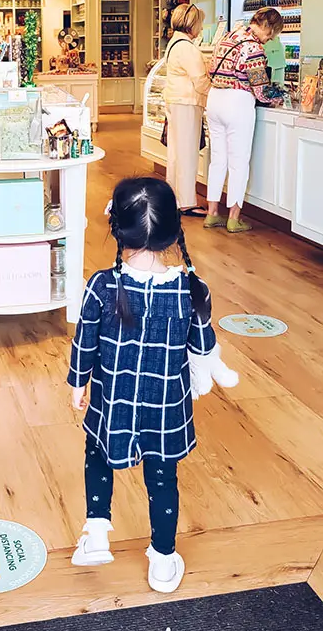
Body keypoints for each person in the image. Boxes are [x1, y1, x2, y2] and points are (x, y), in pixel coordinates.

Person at [68, 177, 238, 593]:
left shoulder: (102, 286)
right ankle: (163, 560)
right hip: (166, 408)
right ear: (172, 231)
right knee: (163, 479)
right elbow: (202, 345)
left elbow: (84, 339)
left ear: (117, 229)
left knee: (97, 454)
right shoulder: (191, 290)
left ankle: (96, 534)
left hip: (114, 402)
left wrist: (78, 383)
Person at [205, 7, 284, 233]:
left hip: (215, 99)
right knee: (238, 163)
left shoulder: (229, 36)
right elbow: (261, 92)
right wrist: (279, 96)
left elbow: (211, 68)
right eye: (272, 34)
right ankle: (233, 218)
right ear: (268, 27)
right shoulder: (254, 48)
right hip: (237, 103)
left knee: (218, 160)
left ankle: (212, 213)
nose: (270, 40)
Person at [163, 4, 211, 217]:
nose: (201, 28)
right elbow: (200, 80)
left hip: (176, 101)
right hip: (187, 103)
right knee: (188, 153)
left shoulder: (174, 43)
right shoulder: (187, 47)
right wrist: (214, 94)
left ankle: (173, 197)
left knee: (176, 153)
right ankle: (187, 202)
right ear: (192, 24)